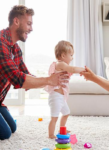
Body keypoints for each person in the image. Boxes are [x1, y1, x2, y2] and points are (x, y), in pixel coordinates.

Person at [0, 5, 69, 140]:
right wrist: (49, 80)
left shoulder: (16, 49)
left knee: (12, 128)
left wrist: (52, 84)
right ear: (16, 21)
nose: (31, 28)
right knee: (5, 133)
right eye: (29, 23)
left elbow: (26, 75)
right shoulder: (1, 43)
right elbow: (18, 78)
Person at [44, 40, 85, 139]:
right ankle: (50, 135)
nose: (72, 58)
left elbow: (70, 70)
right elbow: (73, 69)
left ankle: (62, 129)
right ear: (63, 56)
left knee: (66, 113)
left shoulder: (63, 66)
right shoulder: (60, 64)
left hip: (61, 97)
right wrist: (83, 70)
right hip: (55, 97)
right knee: (54, 117)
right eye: (71, 55)